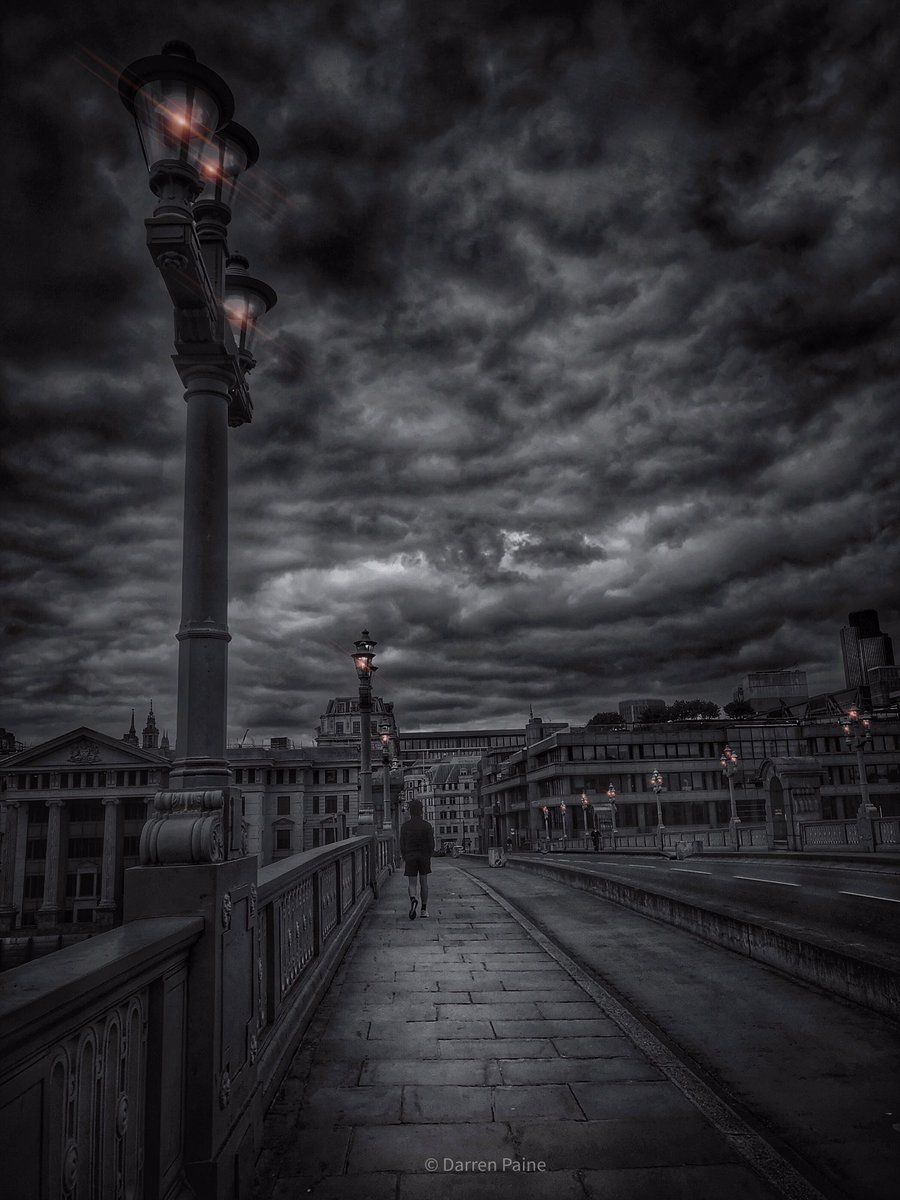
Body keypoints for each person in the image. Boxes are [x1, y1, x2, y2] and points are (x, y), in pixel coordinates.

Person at [400, 798, 435, 920]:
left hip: (410, 856)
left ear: (410, 811)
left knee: (412, 883)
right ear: (421, 811)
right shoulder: (427, 826)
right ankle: (424, 910)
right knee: (424, 882)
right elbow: (432, 844)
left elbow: (402, 844)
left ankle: (413, 899)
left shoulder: (405, 827)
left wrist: (405, 856)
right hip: (424, 856)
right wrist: (428, 855)